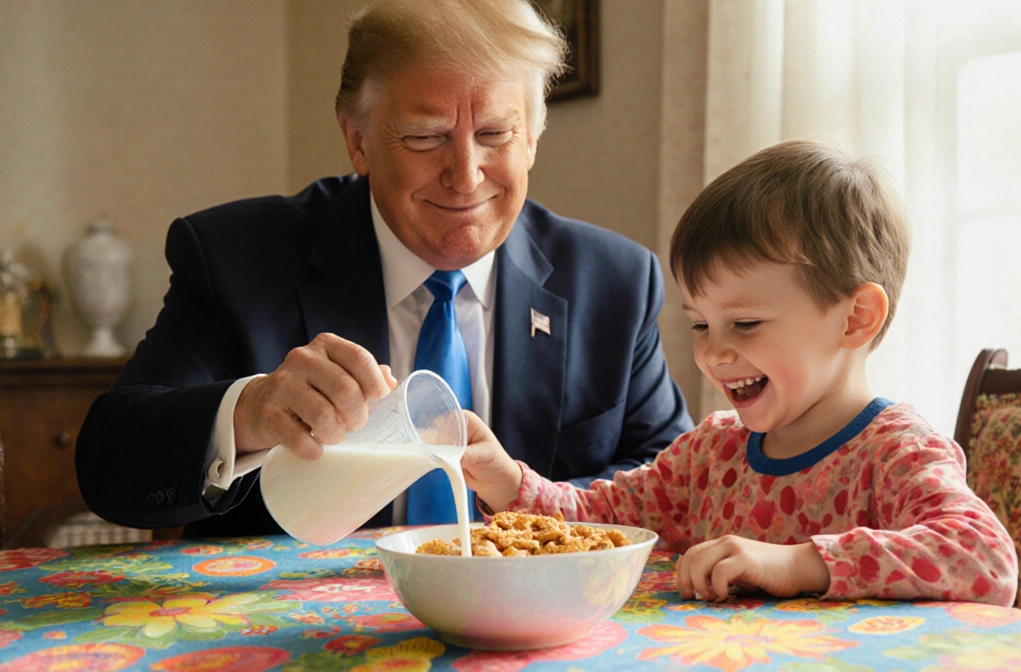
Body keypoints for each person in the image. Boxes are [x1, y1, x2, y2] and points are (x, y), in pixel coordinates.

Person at [75, 0, 692, 538]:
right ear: (358, 140)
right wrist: (250, 411)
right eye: (426, 137)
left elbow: (676, 488)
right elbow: (110, 465)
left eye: (496, 133)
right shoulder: (236, 258)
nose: (466, 174)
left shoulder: (614, 282)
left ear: (533, 136)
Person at [460, 140, 1019, 606]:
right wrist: (507, 480)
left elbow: (983, 558)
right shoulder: (710, 455)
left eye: (745, 324)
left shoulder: (896, 452)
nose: (713, 354)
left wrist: (803, 563)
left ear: (856, 318)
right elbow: (595, 520)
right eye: (701, 325)